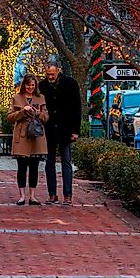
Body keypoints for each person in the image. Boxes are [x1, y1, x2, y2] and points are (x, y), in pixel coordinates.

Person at [39, 59, 82, 205]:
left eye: (52, 74)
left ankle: (68, 194)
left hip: (66, 128)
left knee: (66, 162)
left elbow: (77, 108)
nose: (50, 77)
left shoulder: (70, 84)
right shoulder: (42, 86)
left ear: (58, 70)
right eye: (48, 74)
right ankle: (52, 193)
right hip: (49, 129)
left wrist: (75, 130)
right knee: (49, 162)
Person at [6, 74, 49, 205]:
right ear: (24, 85)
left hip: (36, 135)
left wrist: (37, 112)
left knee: (35, 167)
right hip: (22, 135)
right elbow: (10, 118)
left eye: (33, 85)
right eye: (28, 85)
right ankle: (22, 196)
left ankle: (33, 196)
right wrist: (22, 112)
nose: (30, 87)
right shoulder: (16, 98)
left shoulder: (41, 98)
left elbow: (46, 117)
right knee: (22, 167)